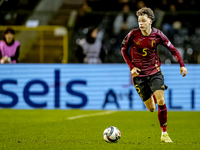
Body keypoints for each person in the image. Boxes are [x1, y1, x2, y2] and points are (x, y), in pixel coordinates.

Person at [121, 7, 187, 143]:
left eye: (143, 21)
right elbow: (123, 49)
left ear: (150, 21)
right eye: (139, 21)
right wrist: (131, 67)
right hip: (139, 75)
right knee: (151, 108)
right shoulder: (132, 35)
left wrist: (182, 65)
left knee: (161, 101)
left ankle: (164, 134)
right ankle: (154, 93)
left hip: (154, 71)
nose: (140, 24)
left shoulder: (158, 35)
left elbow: (173, 50)